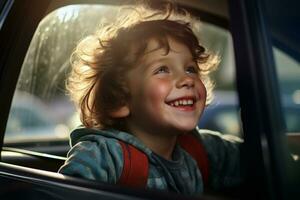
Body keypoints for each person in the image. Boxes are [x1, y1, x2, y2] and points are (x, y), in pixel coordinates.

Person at [59, 2, 243, 196]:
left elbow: (266, 157)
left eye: (191, 69)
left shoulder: (199, 149)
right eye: (162, 69)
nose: (187, 79)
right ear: (120, 99)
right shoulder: (105, 156)